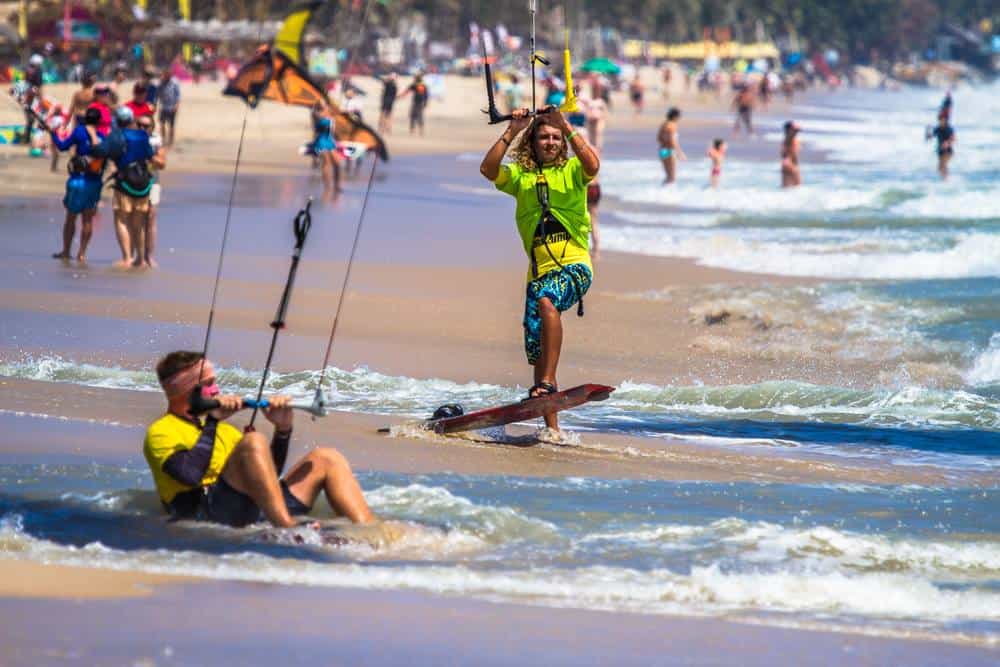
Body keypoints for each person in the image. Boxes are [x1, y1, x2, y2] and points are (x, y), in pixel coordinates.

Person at [144, 351, 374, 528]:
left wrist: (283, 430)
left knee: (327, 457)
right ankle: (286, 527)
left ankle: (368, 531)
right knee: (253, 441)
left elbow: (267, 479)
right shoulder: (161, 431)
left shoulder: (228, 432)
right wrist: (212, 423)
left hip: (252, 508)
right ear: (183, 390)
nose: (216, 390)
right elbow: (189, 475)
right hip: (205, 512)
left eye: (215, 382)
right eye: (207, 384)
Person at [479, 108, 600, 432]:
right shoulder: (521, 178)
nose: (550, 142)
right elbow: (488, 169)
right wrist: (513, 130)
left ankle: (546, 383)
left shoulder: (573, 171)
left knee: (548, 301)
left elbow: (593, 165)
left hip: (574, 264)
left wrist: (567, 126)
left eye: (555, 138)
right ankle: (552, 427)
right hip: (538, 273)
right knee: (539, 350)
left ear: (562, 143)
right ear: (532, 142)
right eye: (544, 136)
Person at [49, 107, 106, 263]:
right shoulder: (102, 137)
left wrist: (53, 134)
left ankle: (66, 251)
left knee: (71, 218)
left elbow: (62, 146)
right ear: (99, 121)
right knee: (87, 220)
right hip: (94, 182)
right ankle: (81, 254)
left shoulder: (79, 132)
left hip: (78, 180)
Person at [109, 106, 156, 267]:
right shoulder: (143, 136)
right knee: (138, 224)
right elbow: (150, 156)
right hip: (143, 184)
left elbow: (107, 152)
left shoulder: (117, 136)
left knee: (121, 220)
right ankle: (141, 259)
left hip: (125, 184)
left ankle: (127, 258)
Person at [137, 114, 167, 267]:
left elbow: (162, 163)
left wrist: (149, 156)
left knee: (151, 218)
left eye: (146, 126)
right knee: (136, 219)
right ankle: (137, 257)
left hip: (153, 184)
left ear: (152, 127)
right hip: (134, 183)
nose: (142, 128)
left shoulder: (156, 141)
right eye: (140, 125)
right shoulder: (132, 138)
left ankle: (149, 256)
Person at [311, 103, 341, 198]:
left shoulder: (330, 115)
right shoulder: (317, 114)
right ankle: (328, 186)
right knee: (326, 163)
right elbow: (317, 117)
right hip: (321, 139)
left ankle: (337, 185)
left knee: (337, 163)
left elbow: (334, 129)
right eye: (324, 106)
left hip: (330, 140)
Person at [657, 108, 686, 184]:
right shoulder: (672, 125)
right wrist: (680, 152)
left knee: (668, 176)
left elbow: (658, 138)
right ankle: (667, 193)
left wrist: (664, 143)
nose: (679, 118)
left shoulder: (664, 124)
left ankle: (662, 191)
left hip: (662, 150)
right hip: (670, 151)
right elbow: (673, 140)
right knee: (672, 177)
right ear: (675, 117)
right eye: (679, 117)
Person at [927, 114, 955, 180]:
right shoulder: (937, 128)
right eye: (940, 120)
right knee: (939, 168)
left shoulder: (949, 129)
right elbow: (930, 137)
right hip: (940, 150)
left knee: (943, 165)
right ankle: (945, 180)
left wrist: (947, 143)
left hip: (948, 150)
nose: (941, 121)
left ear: (945, 121)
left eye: (942, 120)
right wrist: (928, 131)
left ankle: (947, 179)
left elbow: (953, 138)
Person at [157, 69, 180, 147]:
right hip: (163, 107)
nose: (166, 77)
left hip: (172, 107)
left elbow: (178, 95)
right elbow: (158, 94)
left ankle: (171, 141)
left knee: (171, 125)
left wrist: (176, 105)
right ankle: (163, 139)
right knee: (162, 124)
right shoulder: (161, 83)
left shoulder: (175, 83)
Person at [781, 120, 802, 188]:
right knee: (797, 187)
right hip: (790, 165)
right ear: (789, 130)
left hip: (788, 164)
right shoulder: (790, 138)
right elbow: (785, 153)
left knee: (786, 188)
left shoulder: (789, 137)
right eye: (793, 127)